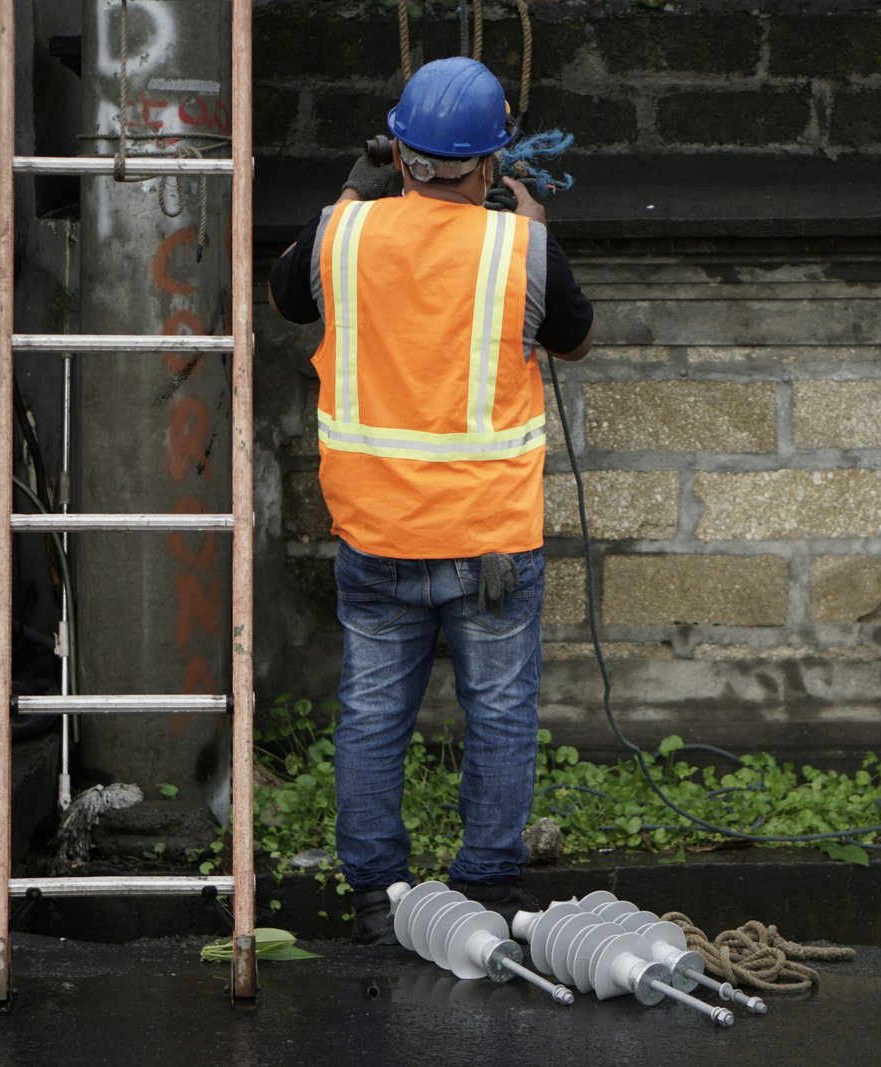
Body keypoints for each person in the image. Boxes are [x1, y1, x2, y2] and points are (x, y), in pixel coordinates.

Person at [268, 56, 595, 944]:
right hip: (491, 540)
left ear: (400, 151)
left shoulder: (341, 232)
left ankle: (379, 898)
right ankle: (483, 893)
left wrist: (350, 187)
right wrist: (535, 227)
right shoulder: (519, 247)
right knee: (497, 714)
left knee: (373, 716)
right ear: (489, 163)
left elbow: (287, 291)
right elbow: (574, 336)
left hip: (375, 534)